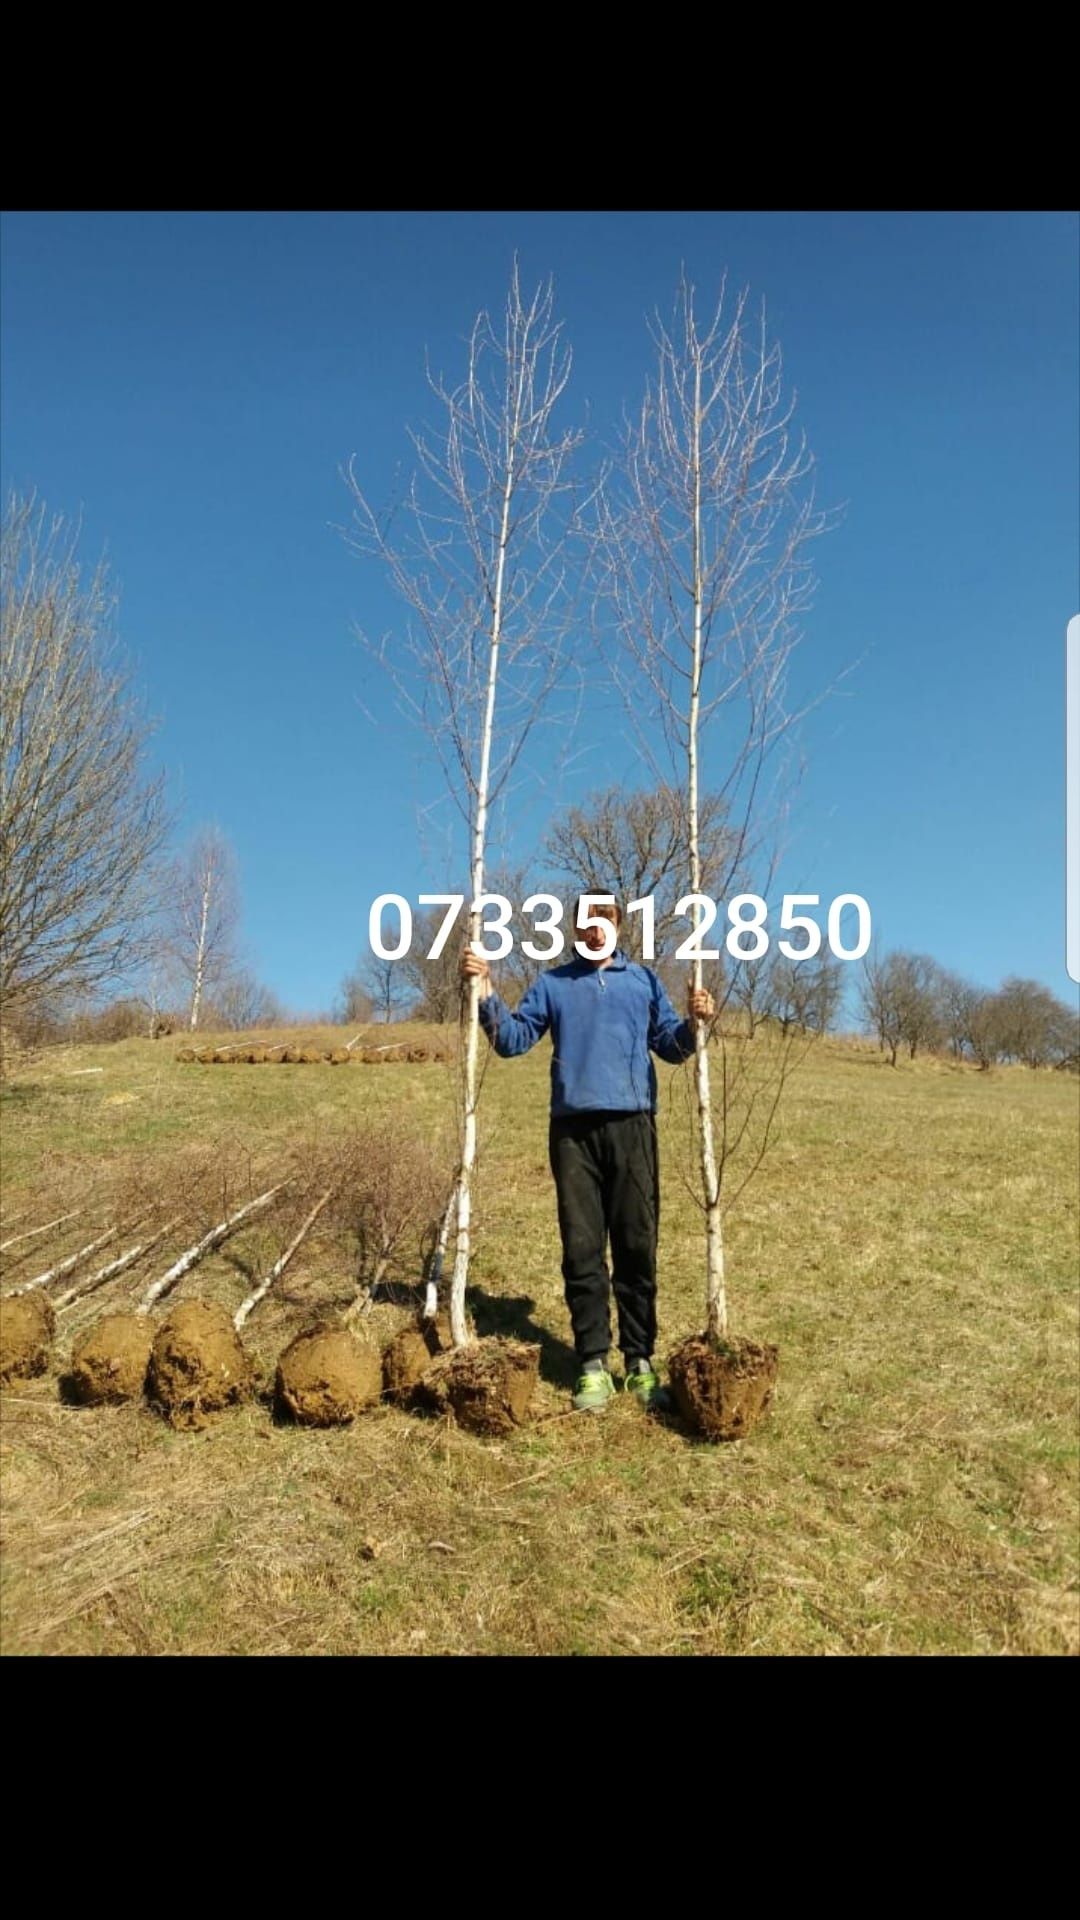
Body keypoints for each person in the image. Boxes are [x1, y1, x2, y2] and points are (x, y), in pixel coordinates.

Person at [461, 895, 715, 1412]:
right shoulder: (554, 985)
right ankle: (593, 1364)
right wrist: (485, 988)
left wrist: (695, 1023)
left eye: (604, 918)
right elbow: (511, 1041)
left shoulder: (642, 982)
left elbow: (670, 1047)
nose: (594, 928)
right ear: (573, 928)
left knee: (637, 1245)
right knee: (581, 1249)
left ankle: (640, 1361)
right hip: (573, 1132)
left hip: (633, 1126)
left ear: (617, 924)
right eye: (585, 920)